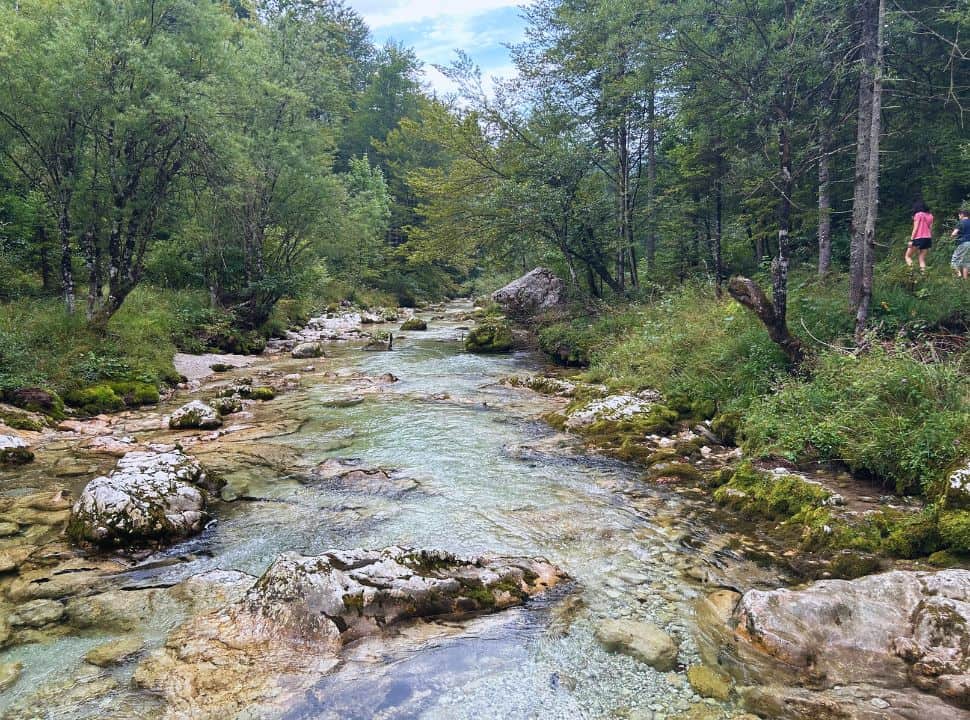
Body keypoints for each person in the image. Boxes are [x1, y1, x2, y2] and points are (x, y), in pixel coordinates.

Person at [905, 201, 934, 270]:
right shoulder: (930, 216)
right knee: (922, 259)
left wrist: (911, 240)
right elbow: (930, 229)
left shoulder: (918, 215)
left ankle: (912, 273)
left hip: (918, 238)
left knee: (907, 256)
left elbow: (916, 228)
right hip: (927, 238)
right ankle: (923, 275)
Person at [950, 208, 970, 279]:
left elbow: (954, 234)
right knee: (966, 262)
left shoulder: (961, 222)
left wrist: (952, 236)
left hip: (964, 243)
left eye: (959, 215)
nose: (959, 216)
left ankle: (958, 275)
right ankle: (965, 280)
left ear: (962, 214)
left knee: (954, 260)